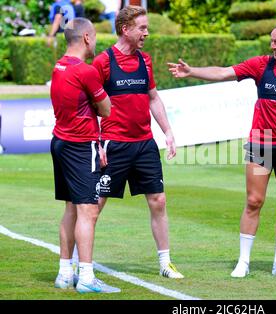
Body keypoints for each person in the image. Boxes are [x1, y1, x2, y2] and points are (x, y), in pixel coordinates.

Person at [168, 22, 276, 278]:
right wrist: (191, 72)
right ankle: (243, 262)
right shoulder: (261, 64)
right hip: (261, 140)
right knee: (254, 201)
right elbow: (223, 72)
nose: (273, 46)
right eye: (272, 40)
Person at [92, 5, 184, 279]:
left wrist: (167, 131)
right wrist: (97, 141)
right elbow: (90, 105)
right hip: (114, 145)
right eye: (142, 28)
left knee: (159, 200)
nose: (147, 32)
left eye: (146, 27)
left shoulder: (145, 61)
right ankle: (78, 263)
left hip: (145, 144)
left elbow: (153, 98)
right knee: (94, 206)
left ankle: (165, 263)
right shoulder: (103, 62)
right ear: (125, 29)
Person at [50, 17, 120, 293]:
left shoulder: (58, 66)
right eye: (94, 36)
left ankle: (65, 274)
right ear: (87, 38)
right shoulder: (86, 71)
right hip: (81, 145)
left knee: (70, 208)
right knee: (88, 210)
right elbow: (106, 109)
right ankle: (87, 278)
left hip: (61, 141)